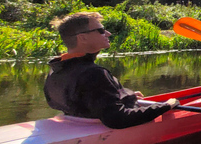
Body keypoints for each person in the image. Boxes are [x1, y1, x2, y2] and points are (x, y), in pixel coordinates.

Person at [43, 11, 179, 129]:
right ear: (82, 37)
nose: (108, 33)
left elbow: (81, 101)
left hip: (74, 123)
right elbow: (117, 119)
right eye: (101, 30)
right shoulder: (93, 74)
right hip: (95, 131)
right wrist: (166, 106)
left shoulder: (56, 68)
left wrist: (123, 96)